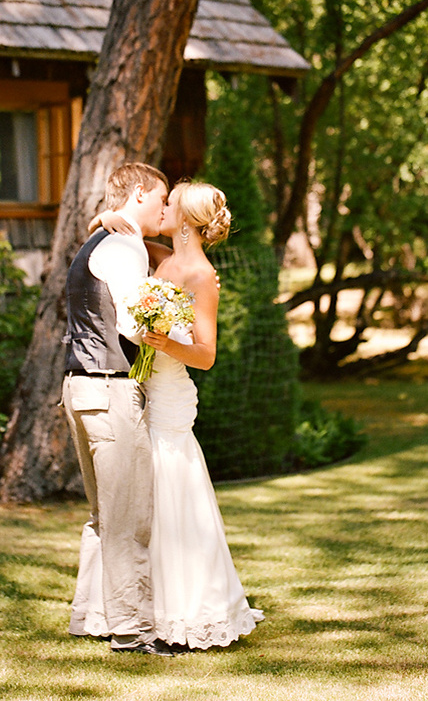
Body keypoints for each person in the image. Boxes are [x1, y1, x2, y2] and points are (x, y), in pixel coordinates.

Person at [95, 180, 264, 650]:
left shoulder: (200, 276)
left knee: (172, 489)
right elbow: (122, 239)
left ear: (187, 220)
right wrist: (103, 220)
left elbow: (207, 354)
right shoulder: (162, 258)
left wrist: (163, 343)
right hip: (145, 388)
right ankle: (142, 608)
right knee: (146, 493)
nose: (162, 209)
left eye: (169, 205)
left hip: (170, 396)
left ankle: (186, 612)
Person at [61, 162, 173, 656]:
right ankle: (133, 630)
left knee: (103, 513)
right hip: (108, 388)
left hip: (79, 387)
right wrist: (175, 334)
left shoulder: (100, 240)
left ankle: (91, 615)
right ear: (142, 194)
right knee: (129, 515)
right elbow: (132, 324)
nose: (164, 208)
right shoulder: (124, 245)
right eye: (162, 198)